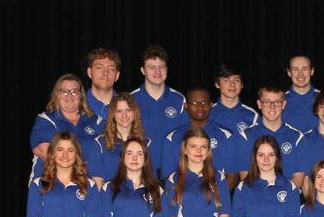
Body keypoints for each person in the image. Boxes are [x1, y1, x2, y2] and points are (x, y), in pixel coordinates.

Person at [29, 74, 103, 180]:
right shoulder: (46, 120)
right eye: (63, 91)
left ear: (81, 95)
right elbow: (48, 154)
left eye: (74, 91)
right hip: (51, 185)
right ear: (56, 95)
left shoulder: (97, 121)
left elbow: (106, 154)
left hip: (89, 186)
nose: (69, 95)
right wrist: (83, 168)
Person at [231, 86, 306, 188]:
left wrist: (279, 196)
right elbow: (246, 177)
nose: (272, 107)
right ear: (259, 104)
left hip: (287, 200)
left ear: (283, 104)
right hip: (256, 199)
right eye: (266, 102)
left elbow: (298, 180)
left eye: (277, 102)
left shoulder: (297, 138)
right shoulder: (246, 136)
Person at [131, 45, 186, 177]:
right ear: (143, 70)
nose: (158, 72)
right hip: (142, 170)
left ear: (167, 69)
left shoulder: (179, 99)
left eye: (161, 67)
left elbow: (186, 135)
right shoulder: (131, 100)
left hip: (174, 172)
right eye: (152, 67)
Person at [160, 87, 235, 180]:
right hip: (183, 193)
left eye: (204, 103)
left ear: (211, 105)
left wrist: (218, 193)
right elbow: (169, 177)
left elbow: (233, 175)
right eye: (194, 103)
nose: (200, 107)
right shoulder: (173, 137)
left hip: (217, 192)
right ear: (186, 106)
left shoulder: (226, 135)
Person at [86, 93, 150, 184]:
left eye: (128, 110)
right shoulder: (99, 143)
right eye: (119, 111)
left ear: (135, 112)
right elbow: (98, 183)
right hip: (109, 197)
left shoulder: (146, 142)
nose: (124, 115)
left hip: (138, 196)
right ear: (112, 114)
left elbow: (149, 179)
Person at [209, 64, 259, 137]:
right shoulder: (209, 114)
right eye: (226, 80)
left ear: (242, 85)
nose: (232, 84)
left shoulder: (252, 116)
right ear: (217, 84)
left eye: (236, 80)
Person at [283, 54, 320, 133]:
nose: (300, 74)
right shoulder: (279, 101)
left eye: (305, 69)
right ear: (289, 72)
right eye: (295, 69)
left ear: (312, 71)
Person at [85, 47, 121, 122]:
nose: (105, 73)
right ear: (89, 72)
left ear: (117, 75)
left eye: (111, 69)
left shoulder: (128, 108)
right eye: (99, 68)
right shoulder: (76, 106)